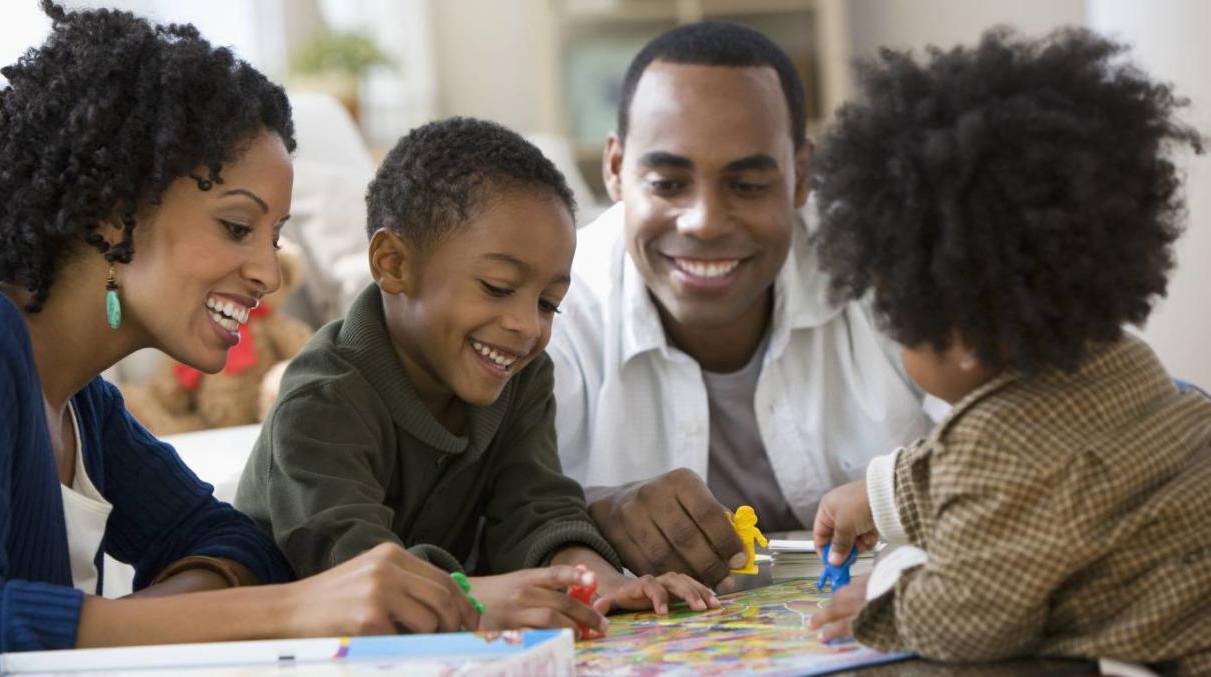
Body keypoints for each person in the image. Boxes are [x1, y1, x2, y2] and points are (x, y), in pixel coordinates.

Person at [0, 2, 479, 661]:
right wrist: (291, 608)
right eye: (237, 226)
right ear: (113, 213)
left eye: (275, 237)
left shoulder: (82, 401)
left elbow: (237, 543)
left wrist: (149, 624)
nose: (268, 272)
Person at [807, 28, 1211, 673]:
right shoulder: (1121, 359)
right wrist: (879, 495)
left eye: (895, 316)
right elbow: (998, 465)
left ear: (959, 338)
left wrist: (882, 596)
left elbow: (970, 621)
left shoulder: (998, 447)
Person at [234, 117, 718, 635]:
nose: (526, 326)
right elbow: (351, 569)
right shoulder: (322, 399)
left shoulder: (520, 378)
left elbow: (536, 508)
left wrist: (597, 582)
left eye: (549, 303)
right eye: (497, 286)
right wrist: (478, 598)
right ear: (393, 264)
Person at [549, 21, 931, 592]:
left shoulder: (889, 265)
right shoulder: (554, 306)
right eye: (666, 182)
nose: (704, 222)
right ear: (615, 169)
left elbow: (1032, 427)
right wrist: (598, 513)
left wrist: (906, 488)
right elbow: (491, 516)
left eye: (748, 185)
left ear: (801, 176)